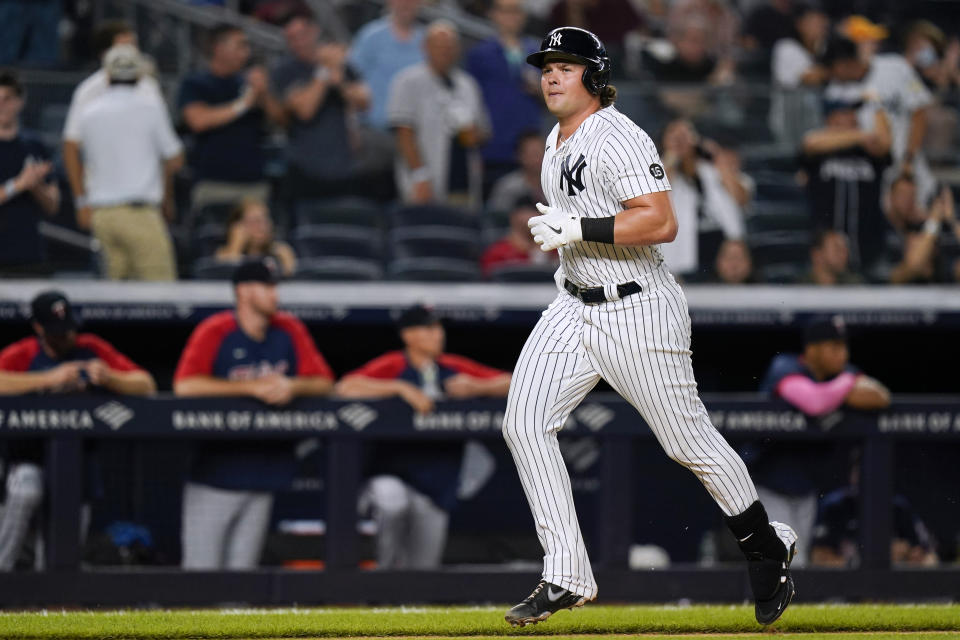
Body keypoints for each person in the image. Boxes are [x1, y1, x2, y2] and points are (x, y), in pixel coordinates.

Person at [501, 27, 797, 628]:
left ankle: (765, 546)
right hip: (574, 303)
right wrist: (572, 237)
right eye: (546, 66)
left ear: (594, 74)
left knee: (688, 445)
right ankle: (565, 573)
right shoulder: (558, 140)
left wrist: (577, 228)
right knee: (524, 421)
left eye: (566, 66)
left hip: (637, 307)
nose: (552, 76)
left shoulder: (619, 135)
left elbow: (661, 222)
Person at [173, 258, 334, 569]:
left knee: (242, 583)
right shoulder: (216, 329)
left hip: (264, 476)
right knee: (200, 575)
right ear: (243, 292)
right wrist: (251, 388)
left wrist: (293, 386)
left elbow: (325, 382)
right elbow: (186, 385)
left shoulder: (289, 328)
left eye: (276, 287)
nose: (275, 295)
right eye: (268, 287)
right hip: (216, 476)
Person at [335, 304, 511, 568]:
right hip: (391, 473)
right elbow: (345, 388)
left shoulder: (451, 366)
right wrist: (399, 388)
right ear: (408, 335)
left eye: (438, 327)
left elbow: (516, 381)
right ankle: (379, 581)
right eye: (429, 328)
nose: (438, 334)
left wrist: (478, 386)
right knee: (392, 502)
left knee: (424, 568)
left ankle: (406, 599)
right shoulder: (394, 365)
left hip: (436, 483)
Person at [0, 290, 156, 571]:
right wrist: (47, 378)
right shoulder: (24, 353)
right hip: (29, 455)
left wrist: (111, 378)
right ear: (38, 328)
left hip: (79, 461)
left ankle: (51, 602)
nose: (66, 337)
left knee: (64, 553)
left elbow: (146, 383)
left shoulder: (90, 347)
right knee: (25, 489)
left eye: (68, 329)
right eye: (57, 331)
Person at [756, 316, 890, 566]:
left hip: (806, 488)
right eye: (833, 347)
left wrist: (837, 387)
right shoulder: (784, 366)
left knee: (800, 563)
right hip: (766, 484)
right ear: (812, 350)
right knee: (786, 561)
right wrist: (848, 385)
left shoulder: (837, 376)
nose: (842, 354)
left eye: (844, 347)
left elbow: (880, 396)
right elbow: (814, 402)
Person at [65, 44, 184, 281]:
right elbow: (175, 159)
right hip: (139, 214)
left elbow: (72, 150)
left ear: (107, 75)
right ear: (140, 74)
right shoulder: (150, 106)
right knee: (162, 297)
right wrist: (166, 195)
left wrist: (81, 202)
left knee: (115, 304)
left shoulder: (89, 112)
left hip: (102, 216)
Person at [178, 24, 286, 209]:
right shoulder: (195, 83)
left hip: (253, 184)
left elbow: (282, 121)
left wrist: (265, 94)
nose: (246, 52)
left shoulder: (250, 84)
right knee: (210, 236)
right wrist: (243, 103)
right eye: (240, 46)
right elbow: (198, 121)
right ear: (219, 49)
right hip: (213, 183)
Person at [63, 21, 166, 212]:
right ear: (105, 54)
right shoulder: (88, 91)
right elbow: (71, 146)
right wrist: (80, 200)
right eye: (124, 47)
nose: (131, 53)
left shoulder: (150, 88)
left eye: (134, 47)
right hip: (104, 197)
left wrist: (166, 197)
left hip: (146, 195)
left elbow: (162, 146)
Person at [824, 35, 935, 207]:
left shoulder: (895, 67)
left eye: (832, 68)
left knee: (919, 214)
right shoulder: (835, 91)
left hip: (907, 165)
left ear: (842, 64)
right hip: (870, 171)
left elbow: (919, 112)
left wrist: (909, 159)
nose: (830, 74)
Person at [388, 21, 490, 208]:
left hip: (463, 178)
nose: (445, 51)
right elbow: (403, 133)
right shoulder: (408, 81)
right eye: (439, 46)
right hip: (427, 179)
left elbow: (482, 132)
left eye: (450, 46)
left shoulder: (467, 85)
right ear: (425, 47)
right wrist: (420, 176)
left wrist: (471, 132)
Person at [272, 13, 372, 201]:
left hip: (342, 167)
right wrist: (324, 72)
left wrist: (340, 82)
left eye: (303, 35)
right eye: (292, 38)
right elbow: (305, 111)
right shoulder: (284, 70)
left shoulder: (343, 67)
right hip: (304, 169)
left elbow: (364, 102)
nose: (299, 43)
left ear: (314, 31)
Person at [800, 97, 892, 269]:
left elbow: (884, 144)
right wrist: (862, 135)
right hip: (825, 252)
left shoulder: (866, 151)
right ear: (831, 118)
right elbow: (809, 143)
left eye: (853, 113)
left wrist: (877, 104)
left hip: (867, 247)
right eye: (846, 112)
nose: (853, 117)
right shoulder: (821, 147)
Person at [812, 449, 937, 567]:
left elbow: (925, 554)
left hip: (892, 581)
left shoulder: (898, 507)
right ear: (852, 474)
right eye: (860, 472)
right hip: (842, 582)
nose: (867, 478)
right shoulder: (836, 506)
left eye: (874, 472)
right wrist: (852, 563)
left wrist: (900, 553)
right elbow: (817, 555)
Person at [464, 0, 542, 186]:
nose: (511, 17)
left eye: (516, 11)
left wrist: (540, 90)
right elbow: (469, 98)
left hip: (531, 150)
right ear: (493, 14)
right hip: (494, 147)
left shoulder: (538, 53)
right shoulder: (479, 55)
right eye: (506, 11)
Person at [659, 119, 747, 279]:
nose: (681, 141)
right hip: (683, 254)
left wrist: (717, 158)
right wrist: (672, 155)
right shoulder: (657, 169)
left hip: (722, 250)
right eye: (675, 137)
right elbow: (656, 193)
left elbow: (741, 198)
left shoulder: (712, 169)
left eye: (685, 135)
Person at [0, 69, 60, 277]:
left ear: (19, 101)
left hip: (30, 255)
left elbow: (52, 205)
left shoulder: (34, 146)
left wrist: (36, 186)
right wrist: (18, 185)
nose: (2, 105)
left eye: (7, 99)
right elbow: (19, 184)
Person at [348, 0, 425, 132]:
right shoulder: (371, 35)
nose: (406, 4)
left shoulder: (428, 41)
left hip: (413, 134)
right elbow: (349, 75)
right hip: (374, 131)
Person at [769, 2, 830, 149]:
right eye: (814, 22)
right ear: (800, 24)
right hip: (788, 121)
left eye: (822, 22)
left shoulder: (823, 48)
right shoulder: (786, 47)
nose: (820, 26)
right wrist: (834, 70)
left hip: (814, 119)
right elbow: (810, 78)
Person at [884, 179, 959, 284]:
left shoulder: (920, 225)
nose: (908, 201)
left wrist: (951, 219)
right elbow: (914, 265)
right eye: (903, 196)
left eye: (912, 196)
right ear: (890, 197)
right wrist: (934, 220)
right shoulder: (882, 228)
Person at [214, 198, 297, 277]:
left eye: (265, 220)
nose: (261, 227)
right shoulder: (224, 253)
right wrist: (236, 246)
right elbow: (227, 274)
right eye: (254, 221)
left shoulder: (280, 252)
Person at [480, 199, 558, 277]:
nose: (533, 216)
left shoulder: (557, 250)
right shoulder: (497, 252)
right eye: (527, 212)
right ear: (513, 217)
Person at [486, 131, 547, 213]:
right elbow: (496, 219)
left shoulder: (560, 183)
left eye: (543, 152)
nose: (540, 158)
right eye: (534, 153)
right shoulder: (507, 187)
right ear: (520, 156)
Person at [799, 230, 864, 285]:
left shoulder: (854, 286)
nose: (844, 255)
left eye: (845, 250)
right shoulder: (798, 289)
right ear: (817, 255)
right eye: (837, 249)